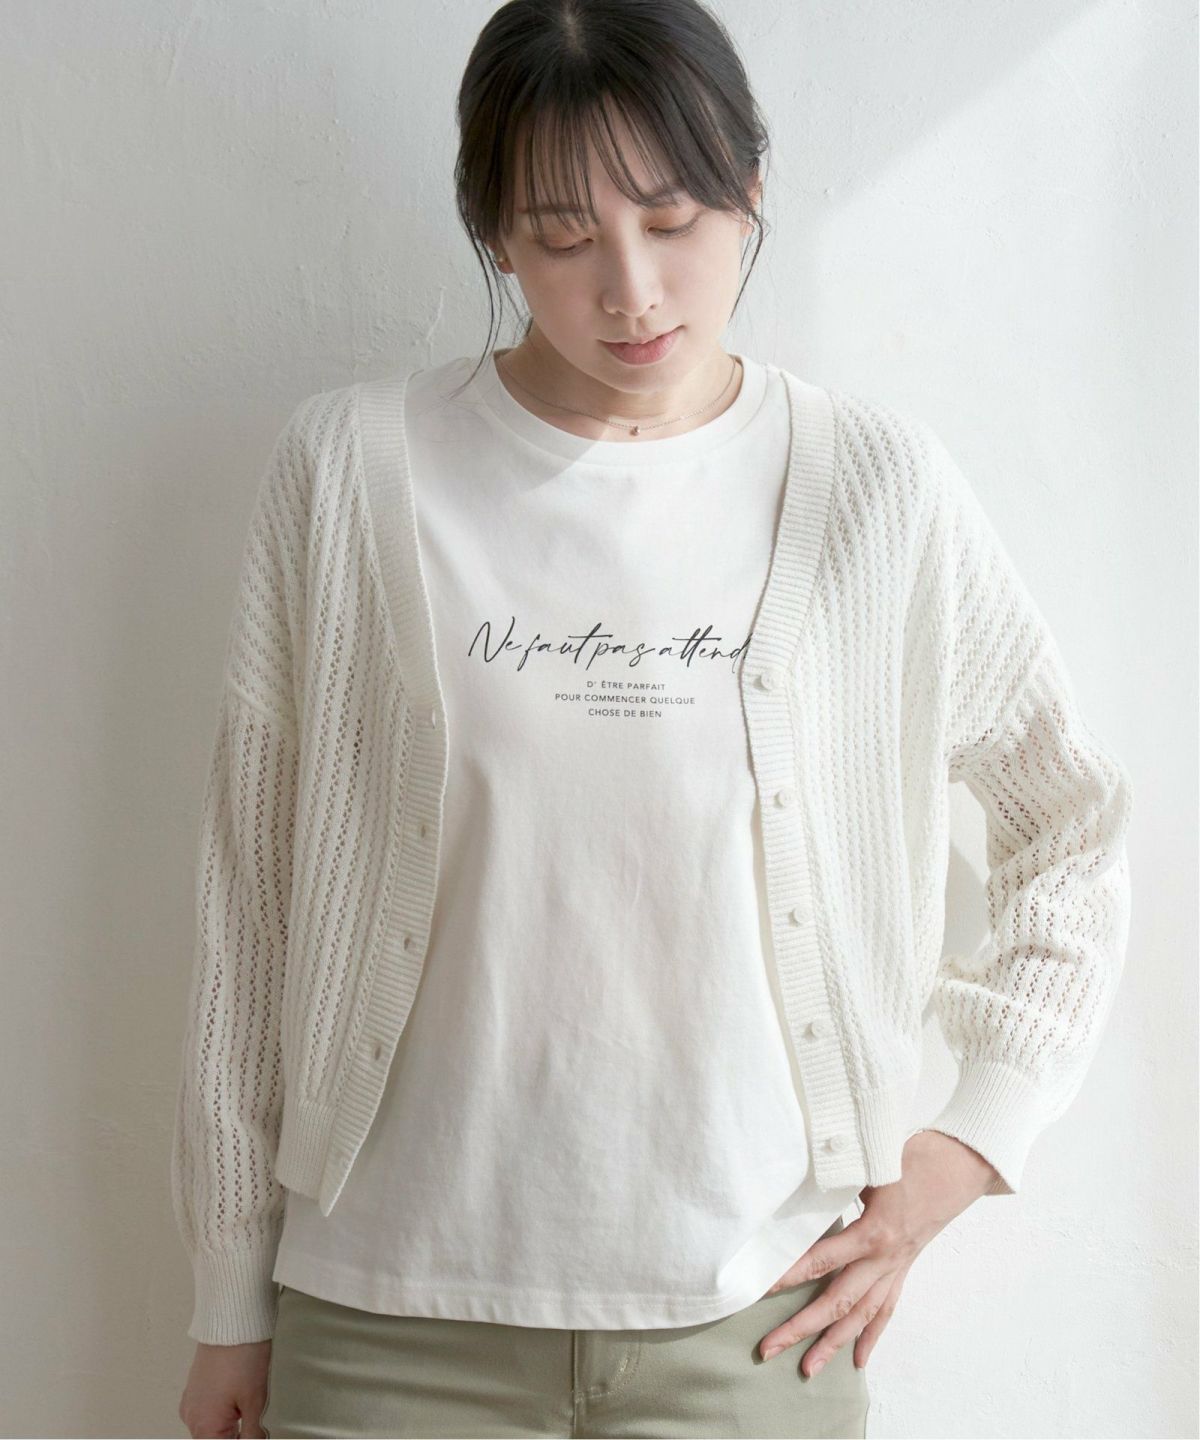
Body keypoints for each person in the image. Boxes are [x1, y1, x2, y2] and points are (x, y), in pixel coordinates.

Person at [171, 1, 1134, 1437]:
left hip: (762, 1320)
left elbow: (1071, 827)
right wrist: (226, 1300)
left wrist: (970, 1141)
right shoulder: (351, 471)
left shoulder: (878, 492)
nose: (631, 291)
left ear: (751, 190)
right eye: (562, 237)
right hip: (385, 1316)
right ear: (494, 236)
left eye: (674, 220)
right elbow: (250, 910)